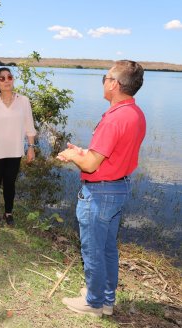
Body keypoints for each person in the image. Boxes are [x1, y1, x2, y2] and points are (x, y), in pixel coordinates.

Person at [57, 60, 146, 317]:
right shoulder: (135, 113)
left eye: (105, 78)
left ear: (115, 84)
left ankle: (93, 303)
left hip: (100, 193)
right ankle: (106, 300)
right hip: (118, 189)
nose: (103, 82)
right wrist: (84, 152)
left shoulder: (114, 119)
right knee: (107, 248)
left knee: (93, 249)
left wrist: (74, 156)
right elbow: (110, 156)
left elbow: (91, 166)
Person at [0, 67, 36, 227]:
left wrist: (31, 147)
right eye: (2, 78)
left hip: (15, 150)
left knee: (10, 182)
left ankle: (9, 212)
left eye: (9, 77)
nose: (6, 81)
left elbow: (29, 126)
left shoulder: (23, 101)